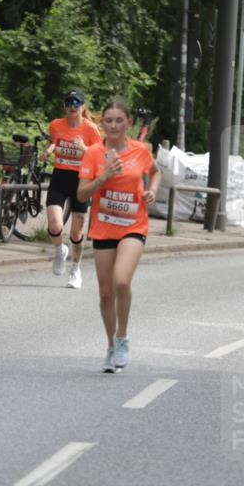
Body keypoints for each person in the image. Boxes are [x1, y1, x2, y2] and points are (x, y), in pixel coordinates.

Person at [77, 100, 161, 372]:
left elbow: (155, 172)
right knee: (105, 294)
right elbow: (81, 194)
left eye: (119, 120)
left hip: (133, 226)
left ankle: (122, 338)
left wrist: (152, 191)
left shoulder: (141, 150)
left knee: (121, 281)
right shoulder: (92, 153)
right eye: (109, 120)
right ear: (103, 123)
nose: (113, 125)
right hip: (104, 227)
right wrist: (103, 177)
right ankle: (111, 347)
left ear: (129, 123)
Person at [41, 89, 102, 288]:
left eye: (76, 103)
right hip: (59, 176)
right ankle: (59, 250)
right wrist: (48, 151)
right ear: (65, 106)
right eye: (69, 102)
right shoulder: (56, 125)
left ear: (83, 107)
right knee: (55, 224)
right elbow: (53, 141)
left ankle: (76, 269)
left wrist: (84, 149)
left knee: (76, 233)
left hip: (81, 180)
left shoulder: (91, 129)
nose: (72, 106)